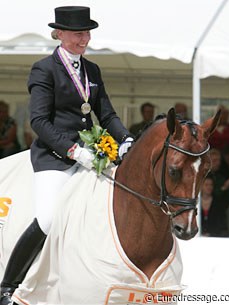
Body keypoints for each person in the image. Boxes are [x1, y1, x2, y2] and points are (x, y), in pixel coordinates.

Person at [0, 6, 134, 305]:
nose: (83, 39)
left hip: (94, 154)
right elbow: (39, 122)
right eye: (77, 34)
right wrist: (73, 150)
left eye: (86, 33)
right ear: (59, 34)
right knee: (48, 218)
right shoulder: (43, 69)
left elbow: (106, 114)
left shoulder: (93, 70)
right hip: (54, 156)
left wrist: (125, 139)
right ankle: (8, 286)